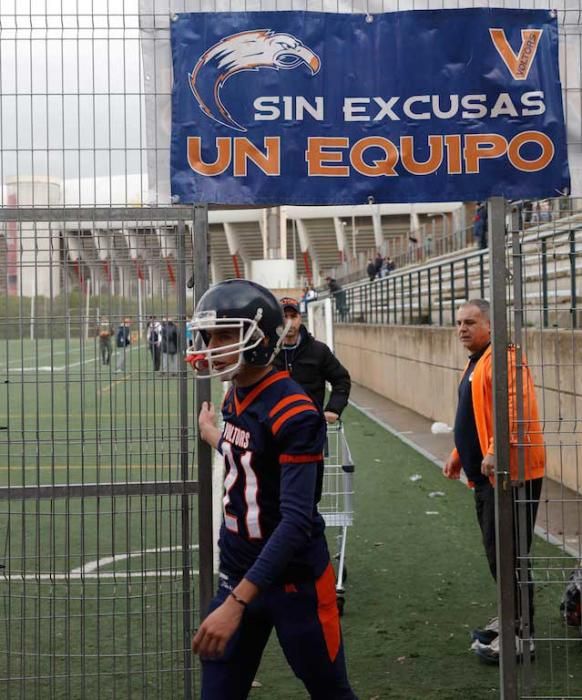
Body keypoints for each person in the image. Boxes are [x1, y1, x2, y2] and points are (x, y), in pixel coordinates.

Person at [186, 279, 357, 700]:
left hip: (293, 580)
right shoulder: (236, 398)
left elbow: (297, 520)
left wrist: (237, 602)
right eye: (210, 335)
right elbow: (249, 455)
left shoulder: (295, 411)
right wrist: (214, 436)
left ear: (261, 339)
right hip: (239, 569)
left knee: (330, 692)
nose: (212, 345)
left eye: (226, 334)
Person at [443, 299, 545, 665]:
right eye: (458, 322)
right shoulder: (479, 361)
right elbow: (475, 412)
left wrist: (495, 451)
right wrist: (459, 453)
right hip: (489, 477)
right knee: (498, 553)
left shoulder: (503, 357)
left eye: (470, 322)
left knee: (509, 554)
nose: (462, 329)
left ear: (489, 324)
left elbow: (512, 409)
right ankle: (511, 619)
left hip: (510, 476)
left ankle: (522, 633)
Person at [275, 297, 351, 424]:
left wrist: (333, 408)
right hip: (275, 427)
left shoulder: (318, 350)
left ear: (300, 318)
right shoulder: (267, 352)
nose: (289, 322)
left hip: (311, 427)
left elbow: (341, 379)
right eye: (284, 317)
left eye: (293, 316)